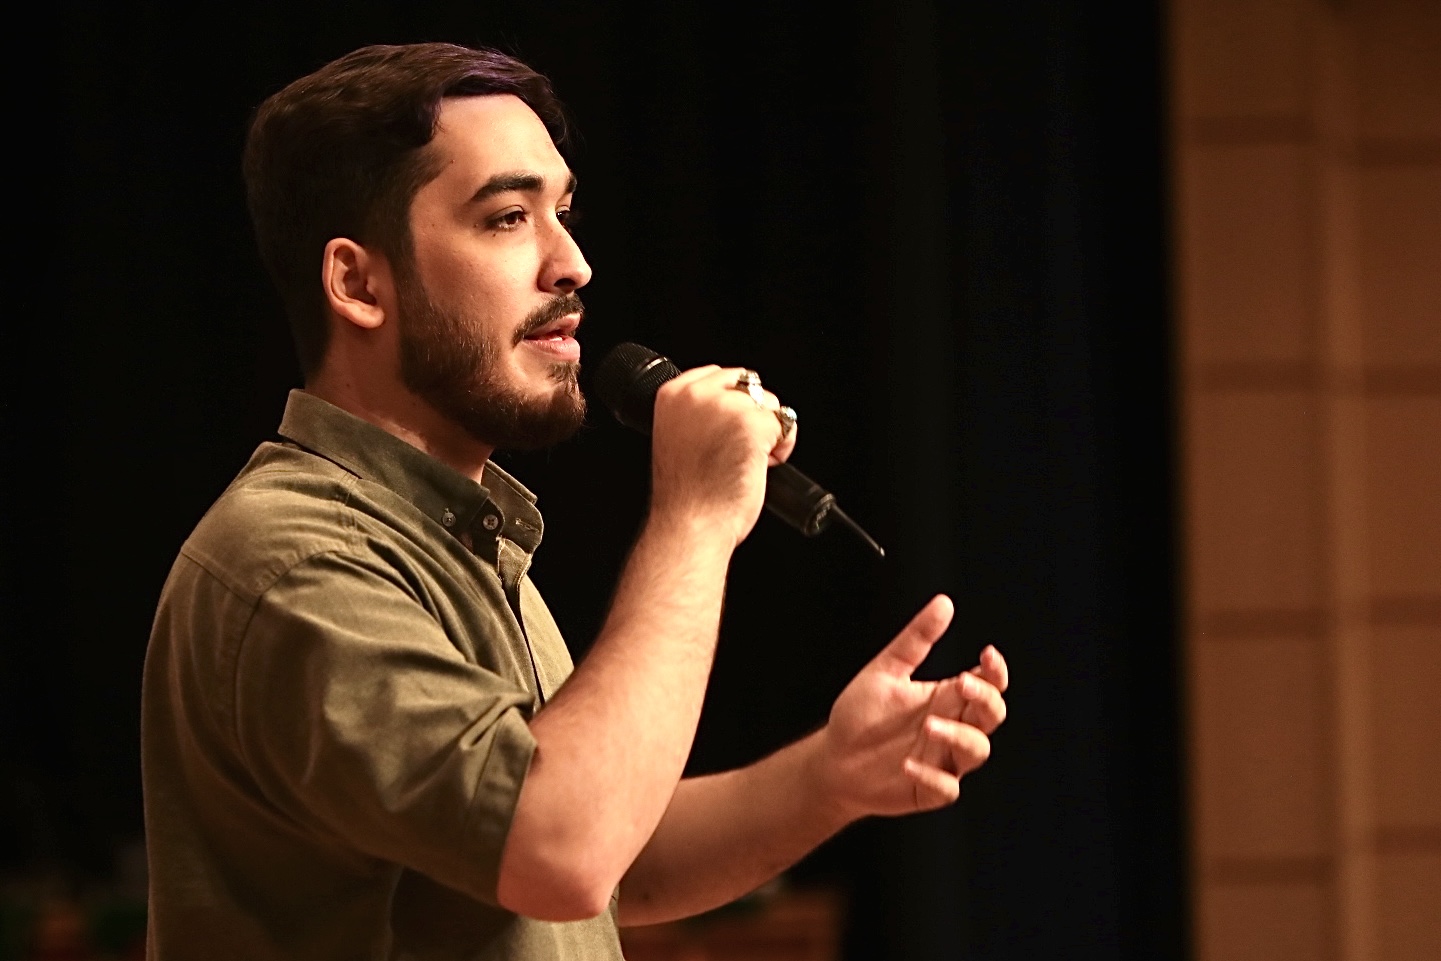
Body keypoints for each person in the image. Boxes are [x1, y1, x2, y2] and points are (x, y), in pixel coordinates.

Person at [141, 41, 1009, 960]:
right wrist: (696, 516)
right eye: (508, 217)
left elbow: (609, 859)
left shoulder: (452, 533)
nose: (573, 264)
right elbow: (560, 849)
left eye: (563, 212)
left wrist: (830, 775)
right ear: (359, 283)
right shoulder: (298, 559)